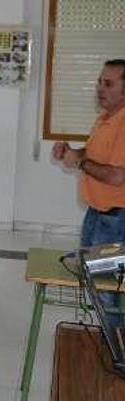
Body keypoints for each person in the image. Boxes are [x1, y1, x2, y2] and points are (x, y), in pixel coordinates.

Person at [52, 59, 125, 324]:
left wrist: (80, 162)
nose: (99, 88)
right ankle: (110, 343)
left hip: (117, 221)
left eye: (108, 84)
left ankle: (115, 355)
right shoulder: (106, 118)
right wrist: (73, 152)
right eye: (99, 82)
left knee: (108, 291)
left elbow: (117, 176)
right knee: (97, 284)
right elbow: (95, 156)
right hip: (98, 214)